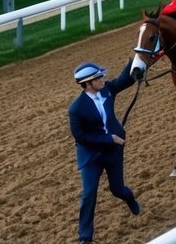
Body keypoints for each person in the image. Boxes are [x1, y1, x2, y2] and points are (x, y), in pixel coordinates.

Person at [69, 61, 141, 244]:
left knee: (117, 190)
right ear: (87, 84)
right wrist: (110, 139)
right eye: (98, 78)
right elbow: (80, 136)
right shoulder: (76, 109)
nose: (103, 79)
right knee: (89, 193)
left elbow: (125, 79)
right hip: (91, 156)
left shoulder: (108, 90)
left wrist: (137, 56)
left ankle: (129, 198)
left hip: (112, 152)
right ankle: (85, 237)